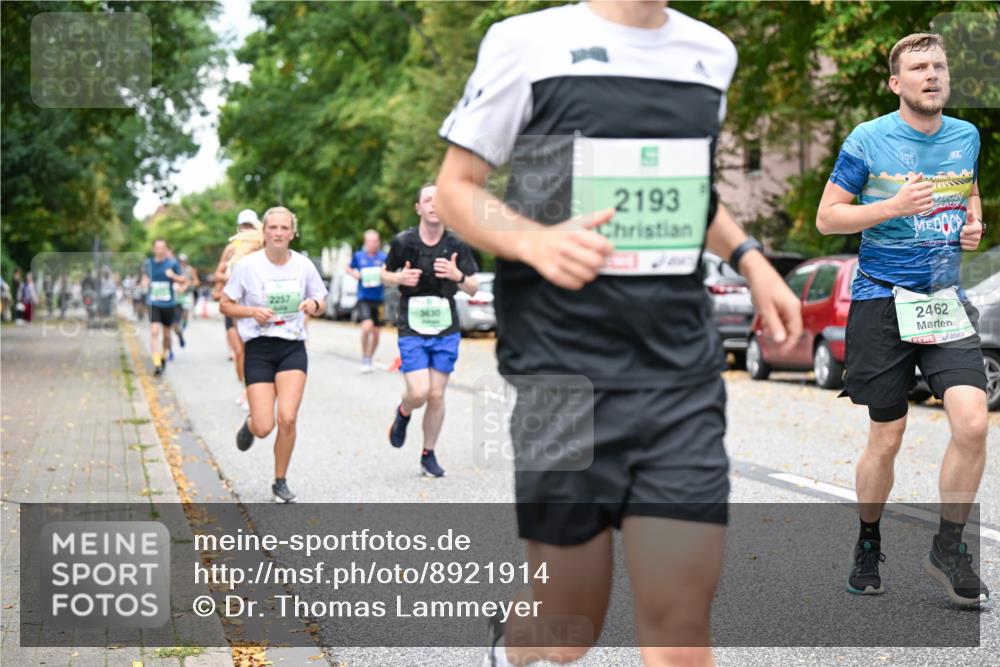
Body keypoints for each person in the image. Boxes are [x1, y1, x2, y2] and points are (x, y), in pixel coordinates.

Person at [435, 2, 802, 664]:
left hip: (678, 375)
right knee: (568, 627)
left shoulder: (710, 53)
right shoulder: (525, 43)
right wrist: (534, 240)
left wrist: (751, 259)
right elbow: (457, 188)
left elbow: (687, 187)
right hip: (561, 370)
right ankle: (510, 644)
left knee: (681, 626)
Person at [816, 33, 989, 606]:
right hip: (881, 302)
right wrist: (892, 207)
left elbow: (968, 193)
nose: (931, 74)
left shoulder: (966, 136)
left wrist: (973, 224)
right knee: (886, 437)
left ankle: (949, 547)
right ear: (896, 83)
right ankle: (868, 540)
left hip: (943, 301)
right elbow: (827, 218)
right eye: (918, 68)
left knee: (972, 423)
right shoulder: (868, 139)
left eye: (939, 65)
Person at [220, 206, 327, 503]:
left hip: (292, 346)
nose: (279, 233)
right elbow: (225, 304)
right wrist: (251, 311)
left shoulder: (303, 265)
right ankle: (251, 426)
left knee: (288, 418)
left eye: (284, 228)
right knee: (265, 426)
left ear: (293, 233)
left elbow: (321, 300)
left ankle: (280, 481)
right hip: (259, 348)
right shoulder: (248, 266)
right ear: (264, 232)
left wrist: (314, 306)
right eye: (273, 228)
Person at [383, 183, 479, 479]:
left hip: (445, 327)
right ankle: (404, 412)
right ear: (418, 208)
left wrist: (458, 275)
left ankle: (428, 454)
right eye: (428, 200)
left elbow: (473, 287)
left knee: (436, 395)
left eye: (439, 200)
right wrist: (399, 278)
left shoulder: (456, 243)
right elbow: (384, 275)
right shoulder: (404, 242)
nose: (434, 205)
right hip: (412, 326)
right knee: (419, 392)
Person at [215, 209, 264, 408]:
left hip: (253, 307)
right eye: (243, 225)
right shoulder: (231, 249)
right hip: (233, 306)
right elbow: (218, 274)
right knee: (239, 352)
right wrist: (232, 277)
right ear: (238, 227)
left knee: (252, 351)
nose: (246, 229)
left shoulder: (261, 248)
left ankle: (249, 391)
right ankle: (244, 387)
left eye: (250, 225)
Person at [141, 239, 186, 375]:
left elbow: (183, 280)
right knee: (154, 331)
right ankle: (157, 364)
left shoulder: (172, 263)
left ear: (166, 249)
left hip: (169, 304)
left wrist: (173, 276)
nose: (160, 250)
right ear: (154, 249)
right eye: (157, 247)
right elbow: (144, 278)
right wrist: (144, 282)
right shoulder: (148, 263)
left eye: (162, 247)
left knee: (167, 335)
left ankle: (164, 356)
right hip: (154, 303)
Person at [347, 229, 388, 373]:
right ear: (365, 242)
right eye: (370, 241)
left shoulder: (383, 257)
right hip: (364, 297)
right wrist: (355, 274)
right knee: (367, 327)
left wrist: (385, 275)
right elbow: (348, 268)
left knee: (376, 332)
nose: (372, 244)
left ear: (378, 242)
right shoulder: (359, 256)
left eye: (375, 241)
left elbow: (390, 272)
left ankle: (369, 358)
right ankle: (364, 356)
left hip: (379, 299)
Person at [174, 253, 200, 342]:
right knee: (176, 314)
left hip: (186, 294)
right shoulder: (174, 269)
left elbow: (196, 282)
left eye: (183, 261)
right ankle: (178, 329)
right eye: (180, 261)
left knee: (185, 314)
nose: (182, 263)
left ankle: (182, 330)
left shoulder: (191, 270)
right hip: (176, 294)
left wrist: (188, 284)